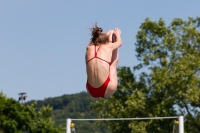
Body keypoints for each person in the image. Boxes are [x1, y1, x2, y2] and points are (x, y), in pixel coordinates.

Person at [85, 23, 122, 98]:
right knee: (113, 65)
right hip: (107, 87)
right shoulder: (108, 47)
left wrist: (106, 36)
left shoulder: (88, 48)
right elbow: (120, 43)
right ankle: (113, 39)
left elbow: (95, 43)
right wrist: (117, 34)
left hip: (91, 89)